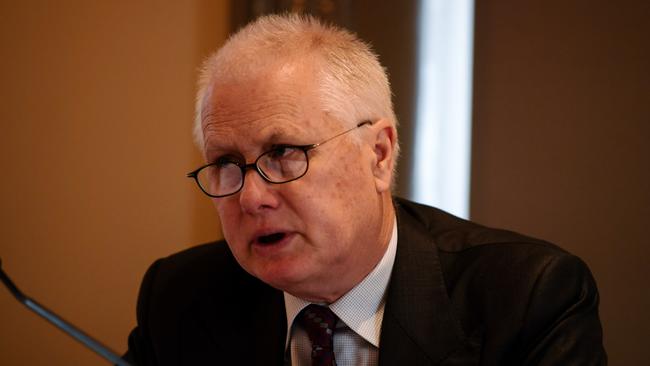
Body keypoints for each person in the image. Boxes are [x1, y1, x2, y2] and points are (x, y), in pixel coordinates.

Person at [123, 14, 606, 366]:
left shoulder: (528, 298)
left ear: (378, 155)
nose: (251, 197)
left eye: (283, 152)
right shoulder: (179, 298)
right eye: (227, 163)